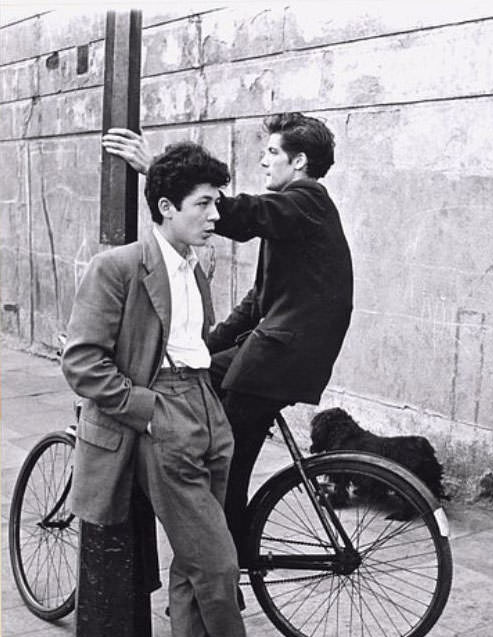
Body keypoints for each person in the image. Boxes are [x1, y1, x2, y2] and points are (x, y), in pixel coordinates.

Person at [62, 142, 287, 637]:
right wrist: (151, 409)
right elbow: (82, 362)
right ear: (166, 206)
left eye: (216, 203)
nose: (216, 216)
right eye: (205, 204)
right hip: (163, 414)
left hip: (206, 406)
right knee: (215, 556)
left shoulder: (196, 264)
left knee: (192, 559)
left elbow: (195, 342)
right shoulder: (118, 267)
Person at [102, 113, 353, 567]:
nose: (263, 161)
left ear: (298, 161)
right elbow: (258, 302)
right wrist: (204, 344)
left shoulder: (306, 200)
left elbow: (246, 213)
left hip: (279, 358)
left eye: (273, 153)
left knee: (227, 471)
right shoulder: (296, 214)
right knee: (198, 378)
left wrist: (164, 174)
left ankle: (223, 567)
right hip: (277, 349)